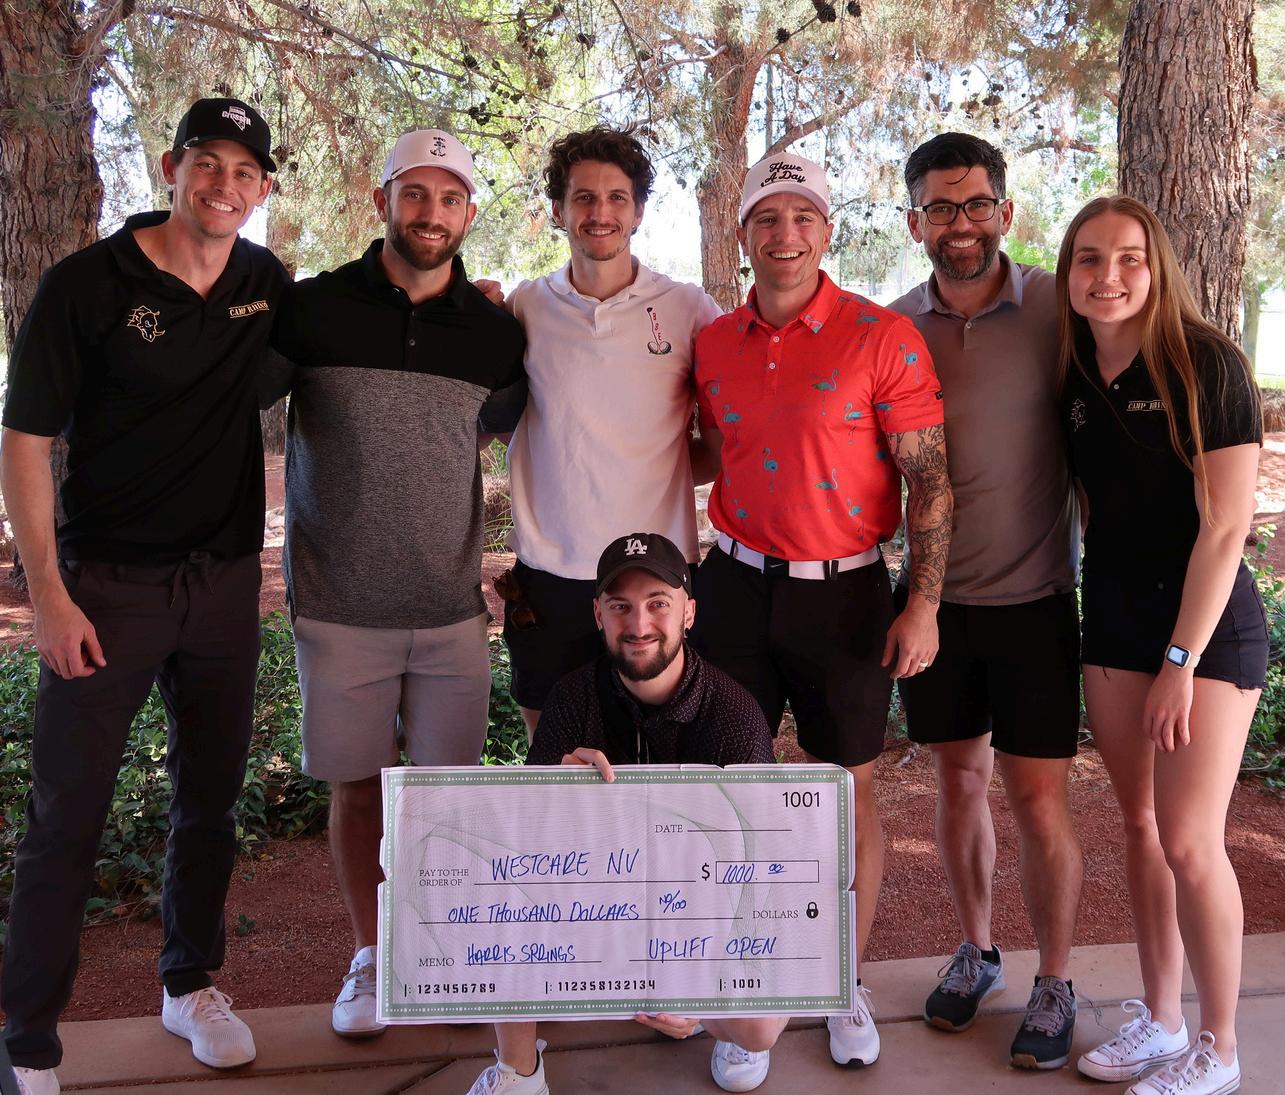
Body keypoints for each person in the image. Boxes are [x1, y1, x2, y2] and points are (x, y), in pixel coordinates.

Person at [0, 98, 293, 1094]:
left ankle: (189, 983)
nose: (223, 185)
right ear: (172, 167)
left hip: (223, 588)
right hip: (106, 591)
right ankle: (29, 1041)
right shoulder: (85, 285)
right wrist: (49, 594)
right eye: (207, 163)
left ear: (262, 189)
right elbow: (26, 443)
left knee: (209, 801)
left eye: (244, 172)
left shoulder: (264, 284)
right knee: (66, 815)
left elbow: (346, 333)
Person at [691, 153, 953, 1069]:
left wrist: (922, 603)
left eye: (803, 216)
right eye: (768, 217)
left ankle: (840, 977)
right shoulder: (712, 342)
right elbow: (700, 449)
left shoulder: (883, 337)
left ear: (827, 231)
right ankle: (745, 996)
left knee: (847, 790)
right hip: (732, 586)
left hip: (846, 593)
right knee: (731, 786)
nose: (786, 234)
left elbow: (930, 481)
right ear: (743, 234)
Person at [272, 129, 527, 1038]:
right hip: (339, 608)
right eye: (414, 194)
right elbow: (235, 412)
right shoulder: (310, 309)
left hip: (451, 611)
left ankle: (444, 955)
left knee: (448, 796)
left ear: (469, 213)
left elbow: (513, 432)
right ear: (381, 200)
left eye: (450, 198)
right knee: (357, 789)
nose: (431, 213)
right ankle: (373, 955)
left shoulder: (495, 333)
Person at [1057, 194, 1265, 1095]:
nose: (1108, 276)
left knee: (1188, 839)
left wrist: (1180, 661)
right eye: (1089, 258)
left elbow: (1225, 529)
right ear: (1068, 273)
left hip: (1205, 632)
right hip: (1112, 622)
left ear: (1158, 267)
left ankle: (1219, 1045)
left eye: (1129, 258)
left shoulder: (1206, 362)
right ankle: (1162, 1018)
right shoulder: (1072, 373)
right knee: (1138, 824)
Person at [888, 132, 1084, 1069]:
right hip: (934, 604)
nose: (959, 223)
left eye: (974, 204)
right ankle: (978, 951)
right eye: (940, 206)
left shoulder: (1057, 305)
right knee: (958, 782)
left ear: (1005, 211)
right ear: (914, 220)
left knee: (1038, 800)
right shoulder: (894, 326)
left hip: (1036, 599)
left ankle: (1056, 980)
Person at [472, 532, 784, 1095]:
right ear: (598, 615)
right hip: (598, 910)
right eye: (621, 606)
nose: (639, 624)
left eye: (658, 603)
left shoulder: (735, 714)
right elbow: (523, 848)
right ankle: (519, 1072)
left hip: (698, 915)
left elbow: (760, 873)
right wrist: (554, 794)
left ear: (689, 613)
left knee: (759, 1028)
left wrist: (695, 992)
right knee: (503, 891)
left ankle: (710, 1021)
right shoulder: (572, 698)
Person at [499, 127, 721, 733]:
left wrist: (654, 468)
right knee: (552, 751)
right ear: (558, 210)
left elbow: (724, 442)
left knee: (659, 754)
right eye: (584, 198)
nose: (601, 213)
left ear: (639, 211)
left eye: (617, 197)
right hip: (549, 576)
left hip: (656, 575)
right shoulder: (526, 306)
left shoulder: (687, 308)